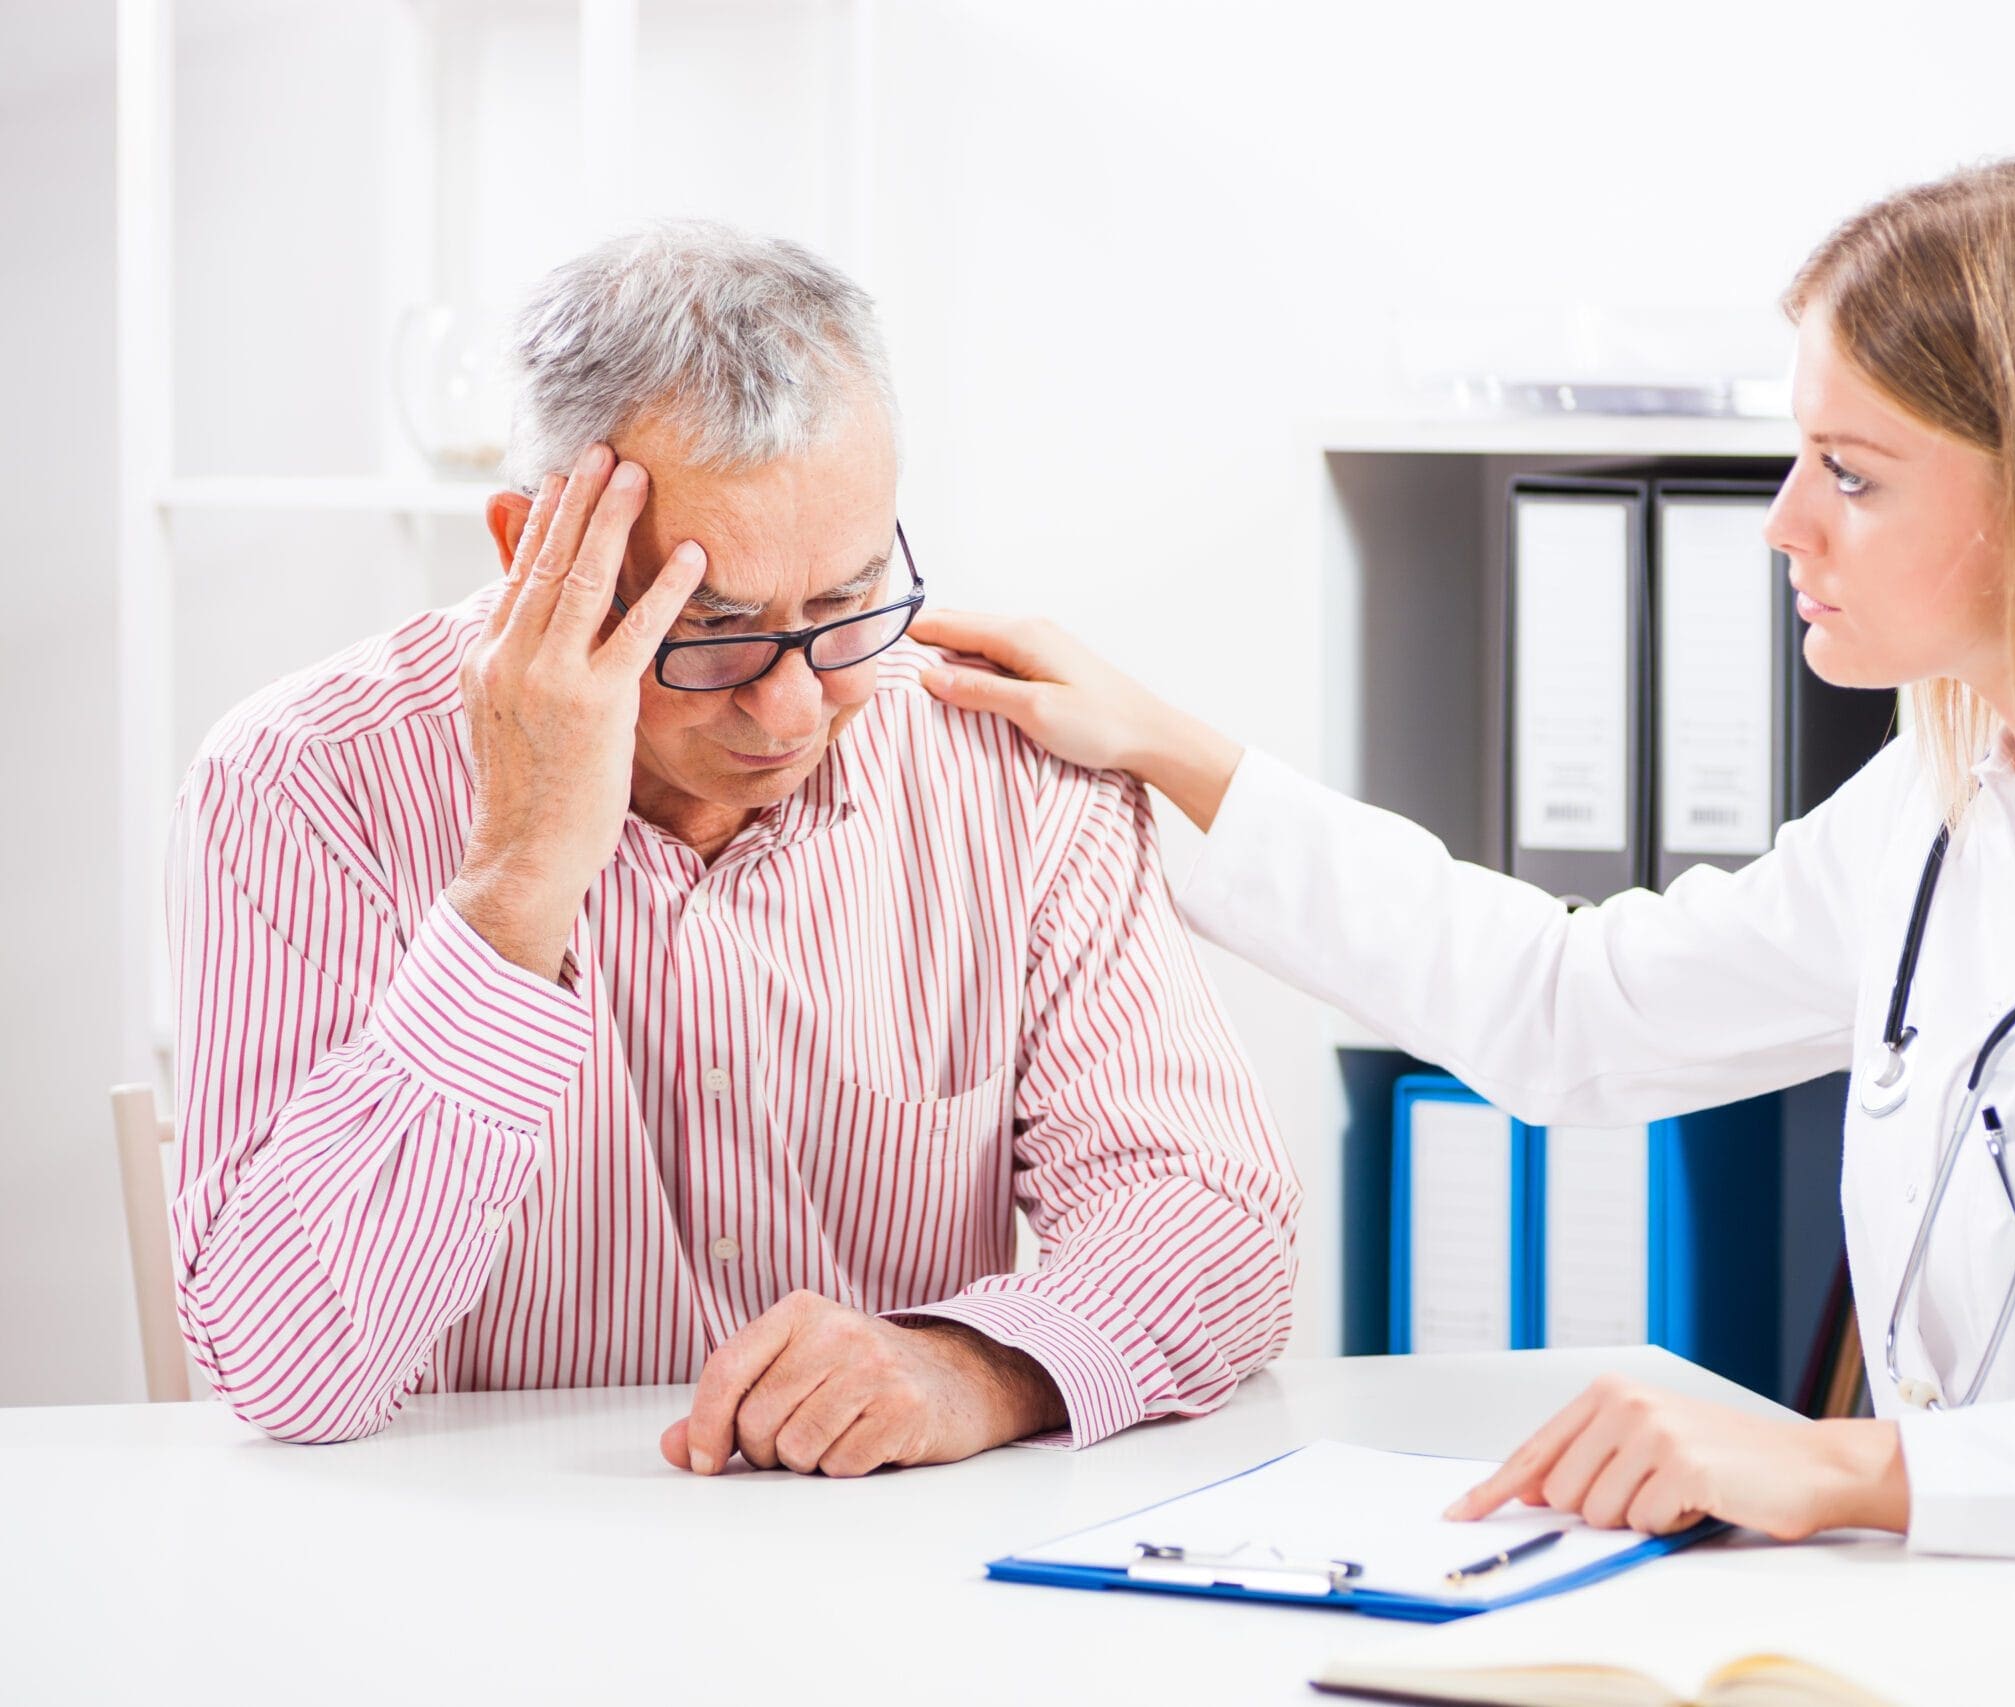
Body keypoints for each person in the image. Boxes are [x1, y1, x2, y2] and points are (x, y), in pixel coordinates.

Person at [910, 159, 2015, 1704]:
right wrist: (1169, 750)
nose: (1782, 524)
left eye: (1851, 473)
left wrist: (1840, 1464)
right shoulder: (1958, 787)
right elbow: (1581, 1008)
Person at [166, 222, 1300, 1477]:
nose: (794, 709)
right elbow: (283, 1369)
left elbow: (1218, 1224)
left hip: (886, 1577)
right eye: (708, 630)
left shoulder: (1016, 768)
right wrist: (519, 880)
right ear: (524, 549)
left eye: (844, 607)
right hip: (477, 1579)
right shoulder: (304, 783)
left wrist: (978, 1365)